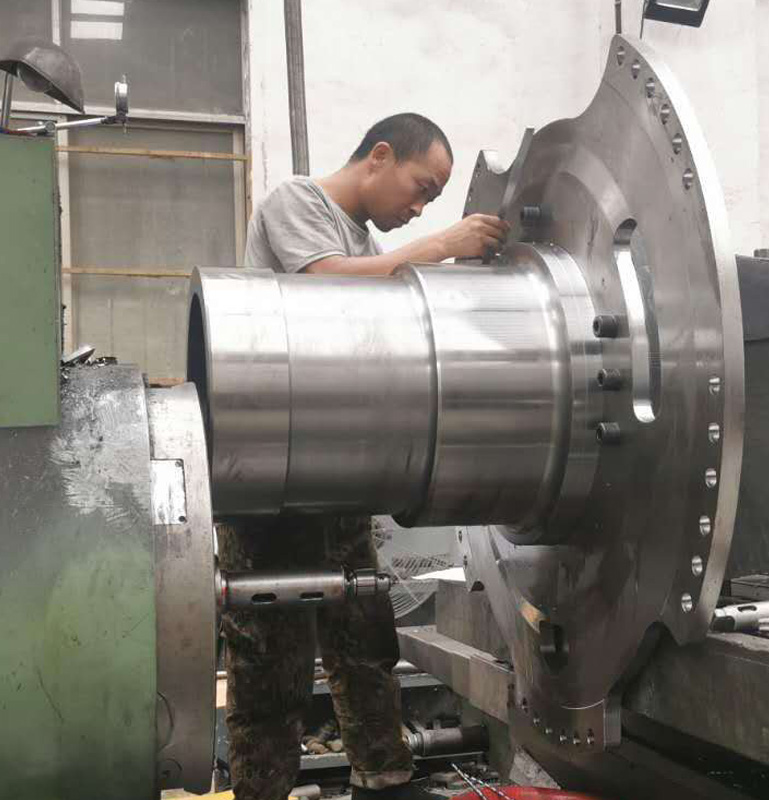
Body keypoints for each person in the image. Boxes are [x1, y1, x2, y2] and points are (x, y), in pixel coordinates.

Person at [219, 113, 509, 800]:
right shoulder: (297, 202)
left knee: (364, 637)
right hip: (271, 476)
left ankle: (385, 780)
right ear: (379, 156)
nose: (419, 208)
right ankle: (263, 791)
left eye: (431, 201)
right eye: (421, 188)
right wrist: (435, 246)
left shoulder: (364, 242)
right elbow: (327, 286)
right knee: (273, 658)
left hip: (335, 474)